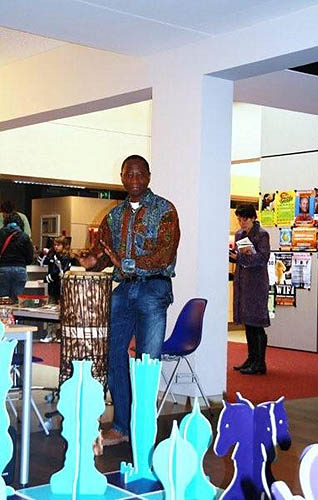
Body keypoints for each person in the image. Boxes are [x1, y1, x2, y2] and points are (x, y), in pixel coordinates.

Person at [79, 154, 180, 445]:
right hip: (123, 290)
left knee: (148, 361)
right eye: (128, 175)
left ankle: (143, 428)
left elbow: (165, 254)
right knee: (113, 355)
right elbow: (103, 256)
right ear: (122, 177)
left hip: (154, 289)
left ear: (148, 176)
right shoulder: (113, 216)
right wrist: (92, 262)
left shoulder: (165, 210)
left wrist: (126, 263)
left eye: (139, 175)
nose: (134, 180)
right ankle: (122, 426)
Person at [229, 204, 270, 375]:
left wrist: (240, 257)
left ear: (253, 218)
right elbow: (240, 258)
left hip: (257, 282)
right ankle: (251, 358)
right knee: (248, 322)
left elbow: (263, 257)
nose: (241, 222)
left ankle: (259, 362)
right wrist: (234, 257)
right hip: (242, 281)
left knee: (256, 323)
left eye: (244, 219)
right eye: (239, 219)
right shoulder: (239, 234)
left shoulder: (262, 234)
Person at [0, 212, 34, 302]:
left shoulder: (1, 234)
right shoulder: (24, 236)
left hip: (3, 269)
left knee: (3, 301)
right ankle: (17, 316)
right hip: (20, 270)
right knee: (17, 301)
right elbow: (30, 258)